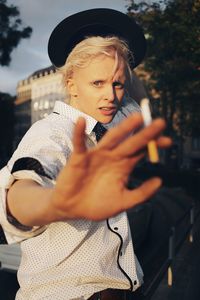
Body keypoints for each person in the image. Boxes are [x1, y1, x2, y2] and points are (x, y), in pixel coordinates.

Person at [0, 8, 171, 300]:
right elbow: (20, 192)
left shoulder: (114, 118)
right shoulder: (52, 132)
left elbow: (136, 98)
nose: (111, 95)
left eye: (117, 83)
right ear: (70, 84)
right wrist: (56, 203)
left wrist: (121, 61)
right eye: (97, 83)